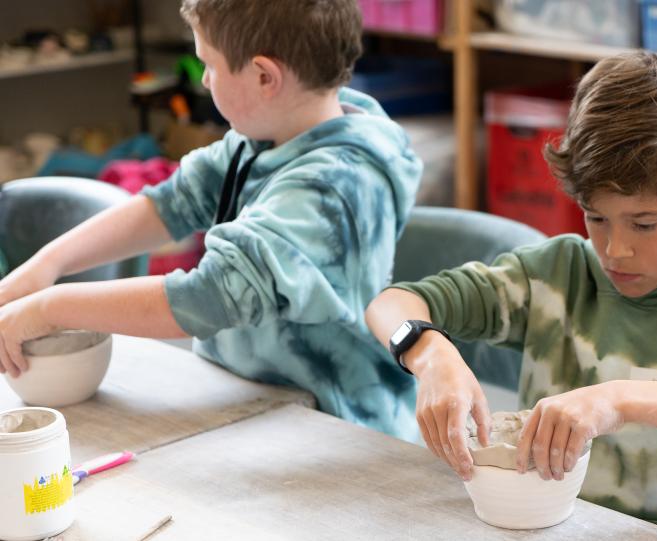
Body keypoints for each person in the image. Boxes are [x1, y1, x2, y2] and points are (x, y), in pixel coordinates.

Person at [365, 51, 657, 539]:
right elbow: (390, 303)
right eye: (596, 216)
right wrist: (430, 355)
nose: (615, 249)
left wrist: (620, 400)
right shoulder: (556, 273)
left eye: (645, 223)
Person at [0, 0, 423, 441]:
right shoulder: (266, 137)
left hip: (335, 428)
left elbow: (207, 297)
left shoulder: (333, 184)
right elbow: (171, 204)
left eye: (209, 65)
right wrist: (46, 265)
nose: (203, 79)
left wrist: (50, 308)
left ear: (265, 77)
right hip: (250, 402)